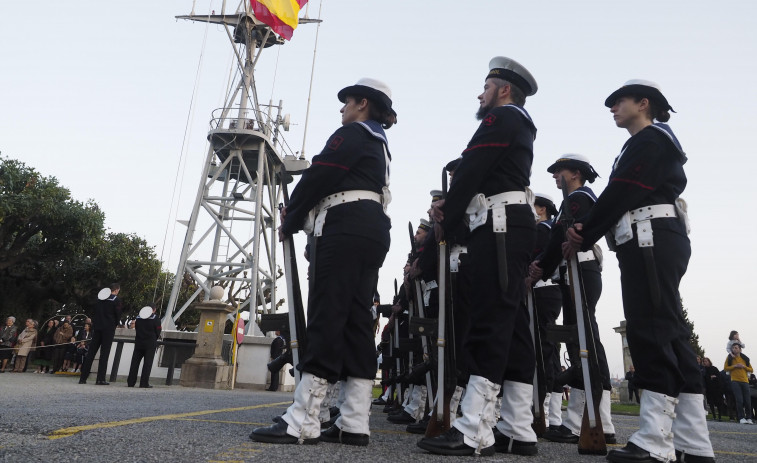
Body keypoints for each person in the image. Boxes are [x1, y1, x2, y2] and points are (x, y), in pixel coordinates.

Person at [564, 80, 714, 462]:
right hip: (650, 238)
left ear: (644, 103)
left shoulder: (650, 139)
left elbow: (622, 192)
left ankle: (655, 440)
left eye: (620, 102)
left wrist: (585, 230)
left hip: (649, 238)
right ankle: (693, 442)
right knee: (671, 332)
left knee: (651, 331)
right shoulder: (648, 141)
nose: (613, 109)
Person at [250, 77, 396, 447]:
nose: (343, 108)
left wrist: (293, 217)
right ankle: (353, 420)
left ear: (363, 103)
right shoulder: (379, 142)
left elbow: (319, 175)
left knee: (327, 316)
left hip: (345, 224)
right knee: (356, 322)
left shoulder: (352, 133)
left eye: (347, 102)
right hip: (370, 227)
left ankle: (303, 418)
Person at [420, 56, 538, 457]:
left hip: (500, 225)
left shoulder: (501, 118)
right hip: (504, 222)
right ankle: (518, 429)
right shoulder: (514, 121)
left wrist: (448, 217)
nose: (480, 94)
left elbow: (471, 169)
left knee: (489, 321)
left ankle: (473, 428)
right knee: (512, 325)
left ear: (503, 90)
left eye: (486, 87)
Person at [530, 153, 616, 445]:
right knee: (579, 341)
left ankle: (597, 419)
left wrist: (539, 266)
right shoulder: (573, 199)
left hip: (582, 268)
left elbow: (559, 239)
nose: (556, 176)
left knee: (585, 341)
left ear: (576, 173)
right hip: (572, 272)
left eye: (560, 171)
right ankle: (583, 419)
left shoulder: (578, 197)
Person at [80, 283, 123, 385]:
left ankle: (83, 378)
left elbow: (94, 312)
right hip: (108, 329)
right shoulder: (116, 300)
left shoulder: (100, 299)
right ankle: (100, 379)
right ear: (116, 290)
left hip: (97, 327)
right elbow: (118, 314)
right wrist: (115, 324)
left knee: (91, 353)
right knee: (104, 354)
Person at [127, 304, 161, 388]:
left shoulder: (138, 318)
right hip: (150, 343)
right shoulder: (155, 318)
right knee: (147, 364)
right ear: (154, 310)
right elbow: (158, 331)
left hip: (139, 342)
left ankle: (131, 382)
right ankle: (144, 383)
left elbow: (137, 328)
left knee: (134, 363)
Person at [724, 342, 753, 424]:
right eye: (733, 348)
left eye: (736, 348)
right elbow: (725, 368)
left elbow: (751, 369)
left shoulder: (745, 359)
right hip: (735, 381)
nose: (734, 349)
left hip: (745, 381)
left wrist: (744, 367)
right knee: (739, 400)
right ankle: (741, 417)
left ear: (740, 349)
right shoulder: (730, 358)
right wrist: (735, 366)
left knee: (747, 401)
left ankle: (749, 418)